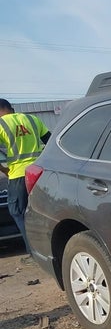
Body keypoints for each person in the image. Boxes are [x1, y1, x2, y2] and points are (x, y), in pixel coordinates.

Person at [0, 98, 51, 262]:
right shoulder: (32, 119)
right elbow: (49, 141)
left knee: (18, 212)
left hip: (18, 175)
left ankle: (35, 254)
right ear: (10, 108)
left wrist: (3, 170)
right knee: (42, 211)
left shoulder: (1, 124)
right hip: (39, 172)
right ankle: (50, 249)